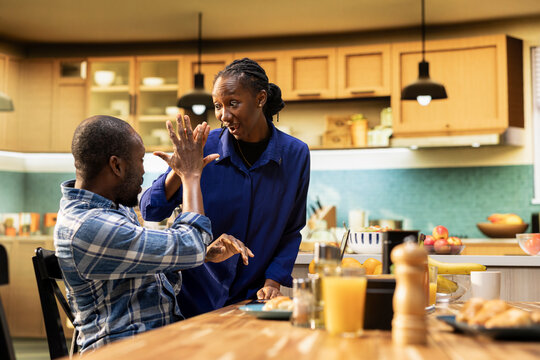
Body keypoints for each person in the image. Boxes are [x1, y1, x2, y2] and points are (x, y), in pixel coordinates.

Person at [54, 115, 253, 353]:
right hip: (121, 352)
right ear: (116, 165)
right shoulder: (86, 227)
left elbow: (146, 269)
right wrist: (190, 176)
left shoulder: (113, 210)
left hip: (155, 344)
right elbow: (191, 245)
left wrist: (205, 254)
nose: (143, 170)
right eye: (139, 160)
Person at [140, 58, 310, 317]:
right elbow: (151, 210)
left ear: (260, 99)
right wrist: (181, 169)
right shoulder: (204, 146)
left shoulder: (295, 154)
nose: (223, 115)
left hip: (252, 301)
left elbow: (291, 230)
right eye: (218, 106)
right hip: (193, 298)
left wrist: (273, 282)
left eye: (233, 103)